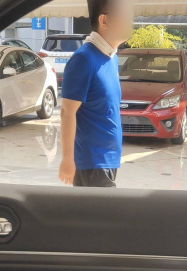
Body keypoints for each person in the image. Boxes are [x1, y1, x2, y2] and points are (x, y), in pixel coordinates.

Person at [58, 0, 134, 187]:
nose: (130, 21)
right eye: (124, 15)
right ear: (104, 20)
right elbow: (67, 112)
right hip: (92, 163)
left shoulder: (111, 57)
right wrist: (67, 159)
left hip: (108, 160)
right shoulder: (83, 59)